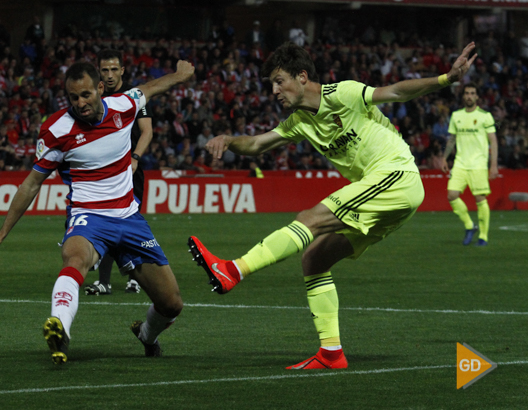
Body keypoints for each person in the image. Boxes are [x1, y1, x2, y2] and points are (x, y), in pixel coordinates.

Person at [188, 41, 477, 371]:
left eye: (279, 81)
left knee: (309, 219)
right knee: (314, 258)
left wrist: (446, 79)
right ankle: (331, 353)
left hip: (396, 175)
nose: (274, 90)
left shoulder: (343, 93)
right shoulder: (300, 121)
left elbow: (395, 92)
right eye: (271, 84)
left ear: (302, 76)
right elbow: (256, 143)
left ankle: (233, 270)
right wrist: (228, 140)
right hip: (386, 193)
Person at [0, 59, 194, 365]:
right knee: (75, 259)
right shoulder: (57, 130)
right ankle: (59, 327)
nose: (80, 103)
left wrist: (181, 75)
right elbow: (31, 184)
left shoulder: (123, 104)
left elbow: (150, 88)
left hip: (129, 218)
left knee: (171, 304)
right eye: (73, 97)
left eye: (86, 95)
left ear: (100, 89)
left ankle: (147, 335)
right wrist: (1, 233)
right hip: (88, 218)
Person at [83, 49, 154, 296]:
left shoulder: (134, 96)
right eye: (105, 70)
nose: (110, 75)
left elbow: (147, 131)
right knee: (107, 224)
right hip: (106, 172)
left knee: (123, 225)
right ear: (98, 71)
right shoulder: (95, 97)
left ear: (122, 70)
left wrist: (135, 158)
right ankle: (108, 281)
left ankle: (133, 277)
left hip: (131, 173)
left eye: (114, 69)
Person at [441, 83, 498, 246]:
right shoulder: (456, 115)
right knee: (451, 195)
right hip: (460, 163)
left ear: (477, 97)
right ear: (463, 96)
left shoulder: (485, 116)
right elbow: (451, 139)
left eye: (472, 93)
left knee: (480, 199)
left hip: (479, 164)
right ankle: (469, 225)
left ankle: (483, 236)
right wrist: (445, 157)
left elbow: (493, 141)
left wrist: (493, 165)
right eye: (467, 93)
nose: (469, 96)